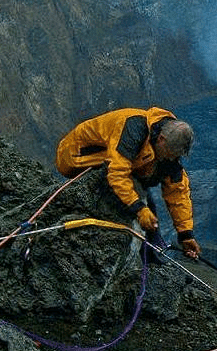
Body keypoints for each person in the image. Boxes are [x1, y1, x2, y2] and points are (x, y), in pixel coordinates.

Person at [55, 107, 201, 259]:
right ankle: (143, 247)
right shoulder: (133, 128)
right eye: (170, 153)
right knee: (135, 191)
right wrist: (139, 208)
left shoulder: (166, 145)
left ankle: (151, 246)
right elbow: (117, 173)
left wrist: (185, 234)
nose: (171, 158)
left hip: (121, 162)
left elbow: (177, 192)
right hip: (77, 157)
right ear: (161, 139)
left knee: (149, 186)